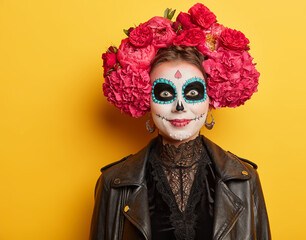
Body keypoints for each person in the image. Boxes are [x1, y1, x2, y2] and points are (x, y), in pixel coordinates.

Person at [90, 3, 270, 240]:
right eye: (165, 94)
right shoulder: (114, 183)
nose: (179, 106)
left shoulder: (244, 180)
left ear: (210, 97)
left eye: (193, 93)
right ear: (145, 99)